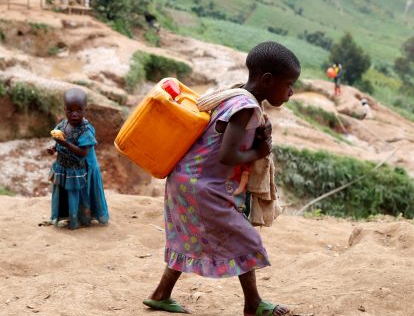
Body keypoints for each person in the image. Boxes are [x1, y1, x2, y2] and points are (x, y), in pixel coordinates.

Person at [143, 41, 300, 316]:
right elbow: (228, 155)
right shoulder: (245, 108)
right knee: (246, 239)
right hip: (202, 186)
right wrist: (258, 151)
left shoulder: (237, 94)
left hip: (186, 179)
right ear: (267, 80)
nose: (291, 92)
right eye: (288, 84)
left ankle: (160, 294)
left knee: (189, 238)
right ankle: (253, 305)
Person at [47, 88, 109, 230]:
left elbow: (83, 152)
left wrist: (65, 144)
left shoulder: (85, 130)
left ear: (85, 110)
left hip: (80, 169)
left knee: (78, 194)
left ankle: (78, 219)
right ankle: (67, 215)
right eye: (70, 110)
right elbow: (59, 140)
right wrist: (54, 147)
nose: (74, 114)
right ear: (64, 109)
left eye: (79, 110)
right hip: (63, 167)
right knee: (64, 192)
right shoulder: (63, 125)